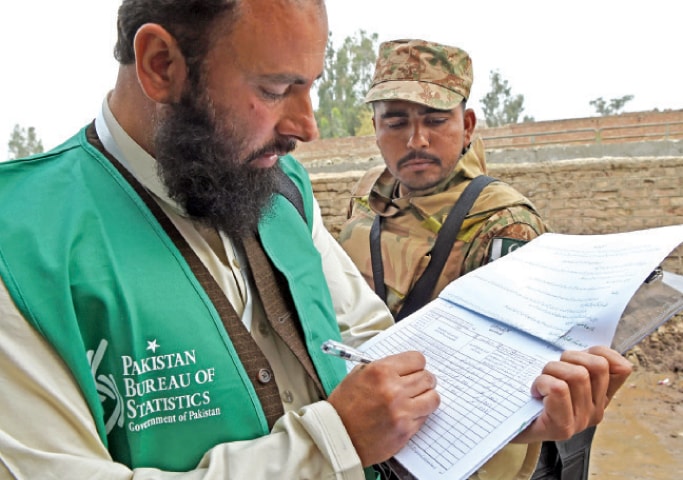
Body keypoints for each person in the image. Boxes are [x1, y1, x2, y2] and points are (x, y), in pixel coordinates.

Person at [0, 4, 630, 479]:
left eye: (311, 85)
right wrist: (328, 443)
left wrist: (509, 413)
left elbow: (377, 356)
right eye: (275, 90)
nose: (305, 126)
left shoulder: (279, 190)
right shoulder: (20, 242)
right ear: (161, 65)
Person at [338, 39, 619, 479]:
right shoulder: (367, 195)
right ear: (374, 128)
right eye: (395, 122)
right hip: (370, 438)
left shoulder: (504, 223)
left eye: (435, 120)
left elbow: (516, 374)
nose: (416, 140)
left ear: (467, 125)